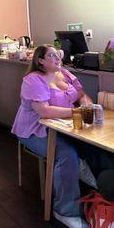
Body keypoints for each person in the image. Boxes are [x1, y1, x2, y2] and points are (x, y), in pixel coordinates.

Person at [12, 44, 92, 228]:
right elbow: (43, 110)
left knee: (89, 145)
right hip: (33, 130)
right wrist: (75, 112)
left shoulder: (65, 74)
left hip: (63, 126)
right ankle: (65, 211)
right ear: (40, 61)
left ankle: (93, 181)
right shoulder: (32, 80)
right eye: (52, 55)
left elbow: (82, 94)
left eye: (58, 55)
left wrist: (87, 105)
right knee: (66, 155)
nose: (58, 58)